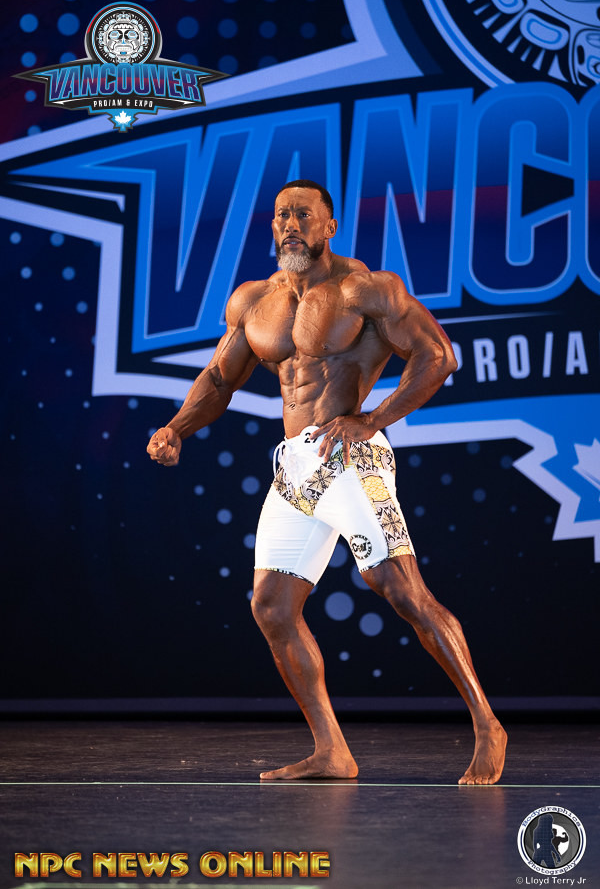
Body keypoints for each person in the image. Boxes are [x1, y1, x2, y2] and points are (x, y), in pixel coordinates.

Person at [147, 178, 507, 785]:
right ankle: (332, 752)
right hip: (295, 466)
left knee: (401, 590)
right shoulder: (253, 301)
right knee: (271, 606)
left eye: (303, 215)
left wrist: (372, 420)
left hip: (351, 459)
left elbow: (438, 356)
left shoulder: (364, 289)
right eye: (282, 215)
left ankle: (488, 725)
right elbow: (220, 378)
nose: (290, 225)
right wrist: (177, 427)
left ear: (329, 226)